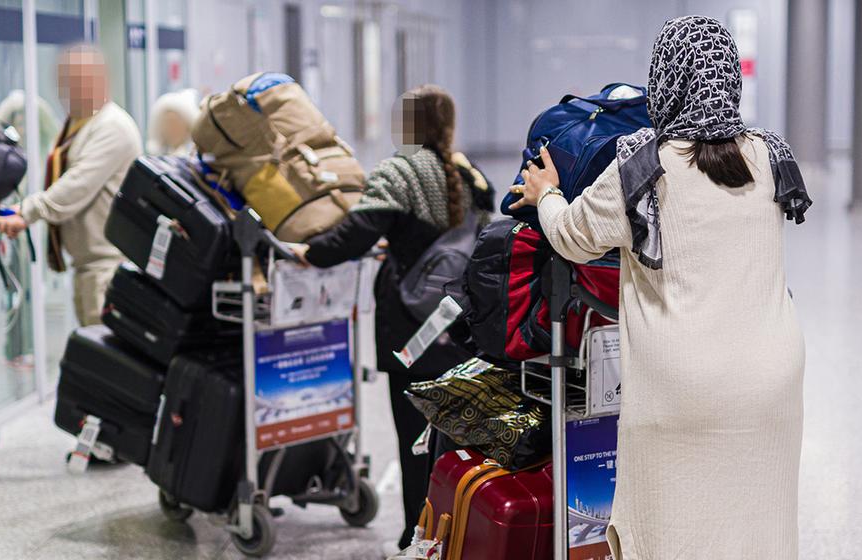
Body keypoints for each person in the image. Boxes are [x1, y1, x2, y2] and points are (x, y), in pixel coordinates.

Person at [510, 16, 812, 559]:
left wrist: (546, 193)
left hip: (683, 386)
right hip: (772, 381)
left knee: (669, 529)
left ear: (665, 78)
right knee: (758, 529)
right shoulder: (770, 156)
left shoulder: (645, 163)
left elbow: (575, 238)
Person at [293, 85, 493, 548]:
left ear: (408, 124)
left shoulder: (398, 171)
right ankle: (459, 532)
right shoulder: (471, 173)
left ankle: (417, 536)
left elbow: (355, 235)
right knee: (458, 439)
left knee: (413, 440)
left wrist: (311, 253)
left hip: (411, 330)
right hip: (460, 325)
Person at [0, 44, 143, 326]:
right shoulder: (78, 124)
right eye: (65, 80)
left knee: (106, 361)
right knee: (92, 354)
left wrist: (26, 212)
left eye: (78, 79)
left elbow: (77, 186)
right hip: (87, 268)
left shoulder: (112, 126)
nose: (69, 88)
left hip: (107, 269)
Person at [145, 88, 199, 156]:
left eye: (176, 124)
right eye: (167, 123)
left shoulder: (192, 156)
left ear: (187, 127)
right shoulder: (156, 156)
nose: (171, 129)